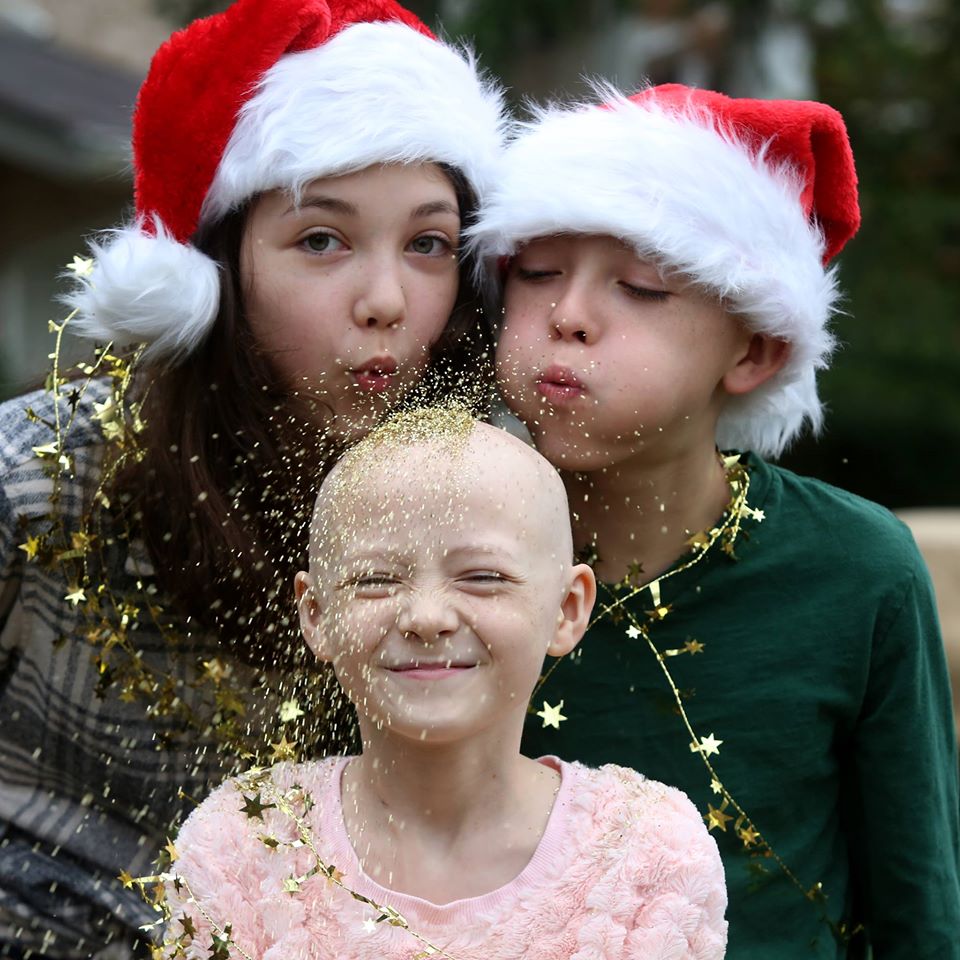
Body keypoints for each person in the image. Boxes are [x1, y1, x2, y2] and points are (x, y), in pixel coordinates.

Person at [0, 1, 508, 956]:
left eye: (429, 244)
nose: (387, 301)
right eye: (322, 240)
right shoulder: (42, 474)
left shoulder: (486, 494)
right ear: (219, 263)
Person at [468, 84, 960, 958]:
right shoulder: (431, 536)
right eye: (536, 272)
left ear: (756, 348)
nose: (568, 315)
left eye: (641, 287)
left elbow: (919, 908)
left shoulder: (856, 571)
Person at [157, 407, 728, 960]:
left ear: (567, 607)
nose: (426, 617)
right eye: (376, 580)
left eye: (483, 577)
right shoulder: (245, 844)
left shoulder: (646, 856)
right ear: (315, 615)